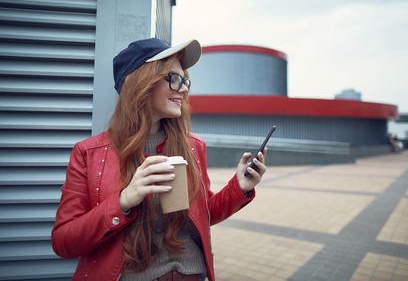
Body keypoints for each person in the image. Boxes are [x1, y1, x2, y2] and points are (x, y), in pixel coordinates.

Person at [51, 38, 268, 281]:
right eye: (174, 79)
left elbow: (202, 214)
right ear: (142, 83)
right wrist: (123, 200)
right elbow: (64, 242)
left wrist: (238, 188)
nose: (184, 89)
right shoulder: (89, 153)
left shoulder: (193, 146)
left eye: (185, 81)